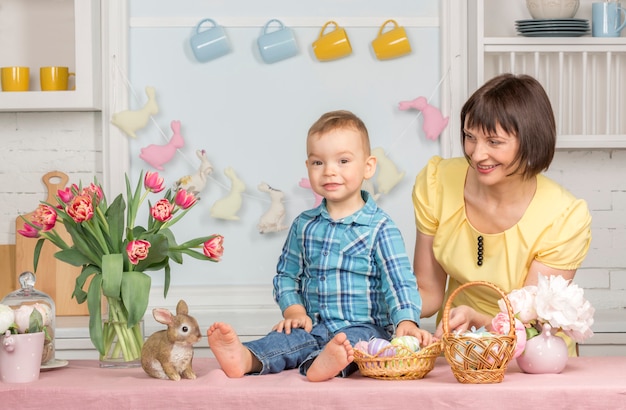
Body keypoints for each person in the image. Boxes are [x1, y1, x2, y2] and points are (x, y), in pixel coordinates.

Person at [208, 110, 434, 382]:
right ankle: (246, 358)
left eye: (343, 161)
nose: (329, 171)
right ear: (308, 166)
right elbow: (287, 275)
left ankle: (323, 363)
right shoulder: (304, 225)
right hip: (313, 325)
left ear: (368, 166)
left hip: (365, 327)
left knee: (355, 345)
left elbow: (399, 282)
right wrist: (294, 311)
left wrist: (406, 321)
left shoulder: (380, 228)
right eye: (318, 162)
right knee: (285, 339)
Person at [412, 73, 592, 356]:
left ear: (530, 142)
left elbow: (531, 322)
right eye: (470, 137)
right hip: (459, 352)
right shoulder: (437, 183)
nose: (477, 154)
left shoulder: (563, 217)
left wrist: (478, 321)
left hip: (533, 357)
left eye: (494, 142)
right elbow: (429, 292)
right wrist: (376, 301)